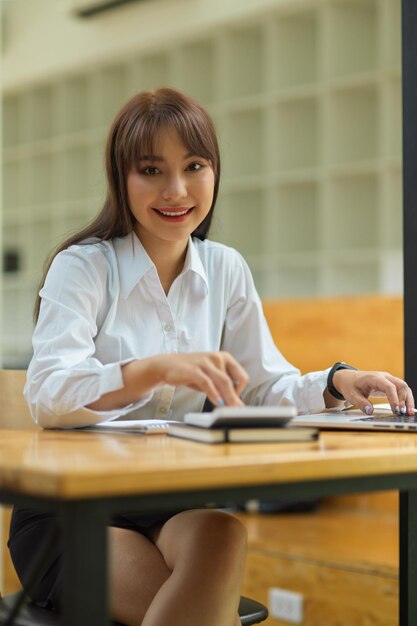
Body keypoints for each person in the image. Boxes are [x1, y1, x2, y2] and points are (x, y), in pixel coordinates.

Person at [8, 87, 413, 626]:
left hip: (171, 500)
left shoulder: (225, 269)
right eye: (151, 169)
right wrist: (150, 370)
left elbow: (263, 386)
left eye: (194, 165)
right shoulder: (84, 267)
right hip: (73, 513)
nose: (176, 189)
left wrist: (340, 382)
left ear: (214, 172)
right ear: (120, 179)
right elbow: (49, 395)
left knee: (222, 532)